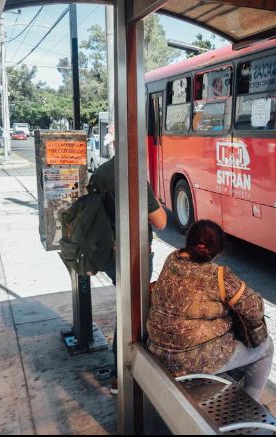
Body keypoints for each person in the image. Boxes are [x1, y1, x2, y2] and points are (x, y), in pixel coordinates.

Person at [147, 220, 273, 400]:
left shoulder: (172, 259)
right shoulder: (219, 276)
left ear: (188, 241)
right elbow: (254, 309)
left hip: (157, 349)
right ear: (219, 250)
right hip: (190, 361)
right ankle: (248, 403)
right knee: (266, 347)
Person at [91, 154, 167, 395]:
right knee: (134, 314)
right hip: (133, 255)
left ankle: (123, 372)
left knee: (128, 308)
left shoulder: (101, 171)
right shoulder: (133, 178)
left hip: (108, 252)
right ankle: (122, 376)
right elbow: (161, 221)